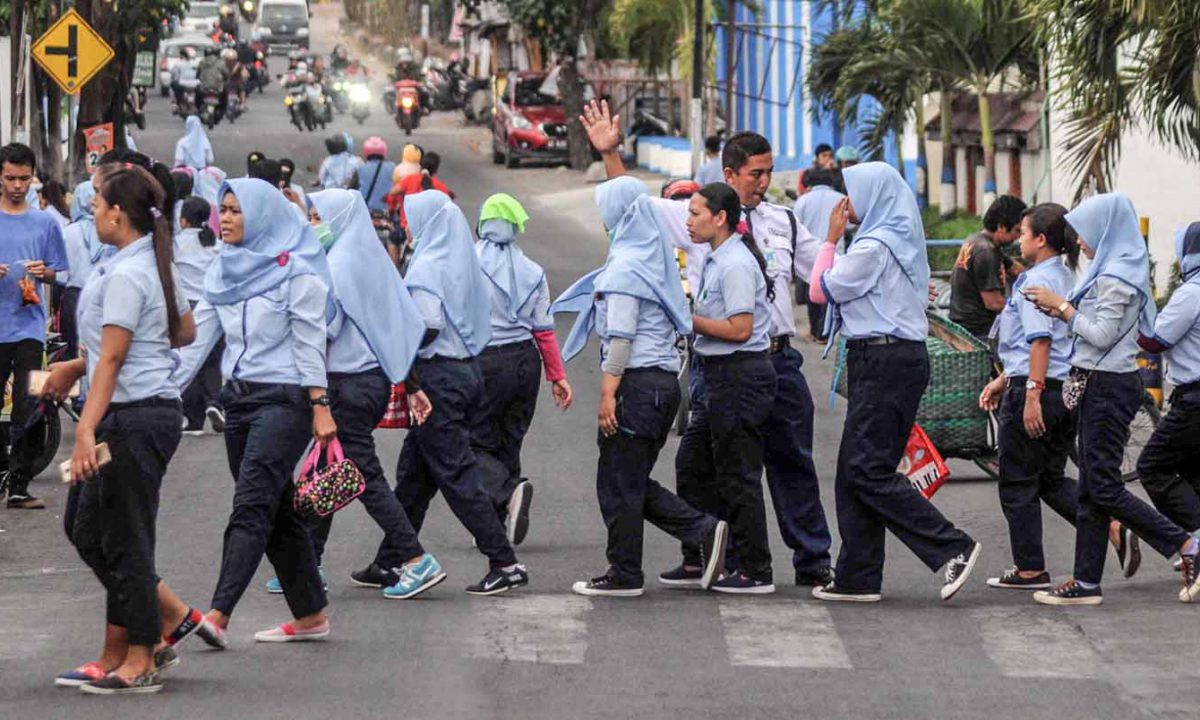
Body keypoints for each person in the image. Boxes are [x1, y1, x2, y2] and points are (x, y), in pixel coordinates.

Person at [581, 102, 835, 590]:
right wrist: (611, 154)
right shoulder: (699, 217)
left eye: (768, 172)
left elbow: (822, 277)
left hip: (776, 357)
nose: (763, 182)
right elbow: (635, 209)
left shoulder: (785, 221)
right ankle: (706, 552)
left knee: (791, 465)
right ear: (730, 173)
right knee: (696, 465)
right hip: (717, 365)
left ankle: (812, 560)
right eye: (755, 173)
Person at [42, 164, 195, 695]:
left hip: (135, 416)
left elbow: (113, 359)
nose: (93, 206)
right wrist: (74, 369)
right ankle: (130, 641)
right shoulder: (136, 263)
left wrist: (85, 431)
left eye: (101, 200)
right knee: (88, 531)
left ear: (119, 214)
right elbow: (179, 332)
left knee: (124, 538)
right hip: (130, 410)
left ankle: (142, 655)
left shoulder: (133, 272)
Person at [808, 161, 982, 603]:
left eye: (855, 193)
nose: (848, 203)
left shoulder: (874, 247)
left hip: (884, 361)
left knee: (868, 469)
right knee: (853, 472)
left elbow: (821, 288)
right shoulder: (895, 240)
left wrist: (830, 239)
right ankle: (857, 576)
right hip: (888, 358)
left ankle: (952, 546)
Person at [552, 177, 729, 597]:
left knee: (619, 481)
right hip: (660, 387)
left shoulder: (627, 266)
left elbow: (621, 340)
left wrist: (607, 395)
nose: (602, 223)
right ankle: (691, 536)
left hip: (636, 385)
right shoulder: (654, 259)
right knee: (624, 480)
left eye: (605, 214)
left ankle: (639, 565)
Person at [1025, 193, 1200, 605]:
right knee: (1090, 488)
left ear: (1105, 230)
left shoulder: (1117, 277)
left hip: (1108, 385)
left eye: (1084, 234)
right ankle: (1086, 582)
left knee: (1102, 486)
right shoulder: (1110, 269)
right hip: (1101, 382)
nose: (1080, 243)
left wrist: (1062, 307)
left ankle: (1185, 545)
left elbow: (1101, 334)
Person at [360, 191, 529, 596]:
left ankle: (503, 561)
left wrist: (394, 345)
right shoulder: (462, 262)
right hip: (468, 370)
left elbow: (426, 325)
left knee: (456, 474)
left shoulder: (428, 266)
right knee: (414, 476)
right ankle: (391, 559)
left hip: (438, 378)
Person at [202, 178, 335, 642]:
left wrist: (320, 405)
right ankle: (311, 615)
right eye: (225, 210)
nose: (228, 219)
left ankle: (218, 615)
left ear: (261, 216)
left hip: (285, 400)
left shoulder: (296, 273)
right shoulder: (222, 269)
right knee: (277, 509)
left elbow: (309, 343)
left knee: (251, 504)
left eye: (237, 210)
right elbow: (196, 339)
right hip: (238, 400)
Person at [298, 189, 442, 600]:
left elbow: (320, 329)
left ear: (338, 218)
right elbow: (397, 326)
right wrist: (409, 382)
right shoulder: (373, 261)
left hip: (347, 384)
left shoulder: (336, 267)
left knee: (363, 477)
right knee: (327, 468)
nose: (312, 225)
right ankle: (307, 561)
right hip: (372, 382)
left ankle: (415, 558)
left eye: (316, 216)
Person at [671, 181, 778, 593]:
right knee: (693, 465)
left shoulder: (734, 263)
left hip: (740, 375)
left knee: (739, 475)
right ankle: (706, 554)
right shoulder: (717, 257)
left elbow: (739, 328)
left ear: (720, 218)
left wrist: (686, 319)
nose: (689, 221)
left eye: (696, 213)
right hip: (717, 375)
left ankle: (755, 569)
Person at [977, 203, 1082, 590]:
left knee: (1018, 480)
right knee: (1051, 478)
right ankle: (1111, 524)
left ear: (1041, 240)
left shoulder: (1035, 282)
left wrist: (1030, 395)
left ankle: (1030, 569)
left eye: (1023, 233)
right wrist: (1004, 380)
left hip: (1036, 387)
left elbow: (1040, 341)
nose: (1019, 239)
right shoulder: (1068, 276)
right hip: (1060, 386)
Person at [471, 193, 573, 545]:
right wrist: (557, 376)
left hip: (484, 361)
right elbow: (543, 330)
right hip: (525, 363)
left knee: (473, 443)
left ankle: (506, 494)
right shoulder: (532, 270)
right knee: (509, 440)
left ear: (483, 224)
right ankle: (501, 518)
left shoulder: (466, 263)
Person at [0, 143, 68, 509]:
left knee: (30, 405)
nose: (17, 185)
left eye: (24, 178)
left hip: (30, 328)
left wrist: (46, 273)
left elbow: (61, 271)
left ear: (33, 179)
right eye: (10, 178)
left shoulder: (45, 222)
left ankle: (20, 484)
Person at [1136, 222, 1200, 568]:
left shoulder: (1192, 292)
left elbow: (1155, 342)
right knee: (1190, 471)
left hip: (1193, 398)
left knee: (1153, 466)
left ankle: (1192, 538)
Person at [175, 196, 224, 434]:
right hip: (213, 304)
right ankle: (214, 403)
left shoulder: (176, 243)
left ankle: (192, 417)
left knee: (190, 361)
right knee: (213, 361)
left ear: (183, 220)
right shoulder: (216, 243)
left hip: (186, 307)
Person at [949, 195, 1028, 341]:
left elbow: (1016, 269)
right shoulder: (986, 252)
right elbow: (994, 303)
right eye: (1017, 231)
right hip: (978, 333)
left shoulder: (977, 240)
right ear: (1001, 227)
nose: (1018, 238)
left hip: (965, 327)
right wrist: (1027, 311)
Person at [59, 179, 111, 361]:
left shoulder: (69, 232)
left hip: (73, 298)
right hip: (105, 299)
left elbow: (60, 276)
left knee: (73, 352)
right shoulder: (111, 230)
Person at [792, 167, 846, 342]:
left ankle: (815, 330)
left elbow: (793, 225)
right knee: (830, 295)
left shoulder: (803, 201)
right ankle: (825, 331)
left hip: (809, 255)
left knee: (812, 294)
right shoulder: (840, 199)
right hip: (836, 253)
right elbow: (851, 225)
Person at [354, 137, 395, 214]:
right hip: (387, 211)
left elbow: (351, 190)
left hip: (366, 212)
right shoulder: (392, 167)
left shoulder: (360, 169)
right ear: (384, 151)